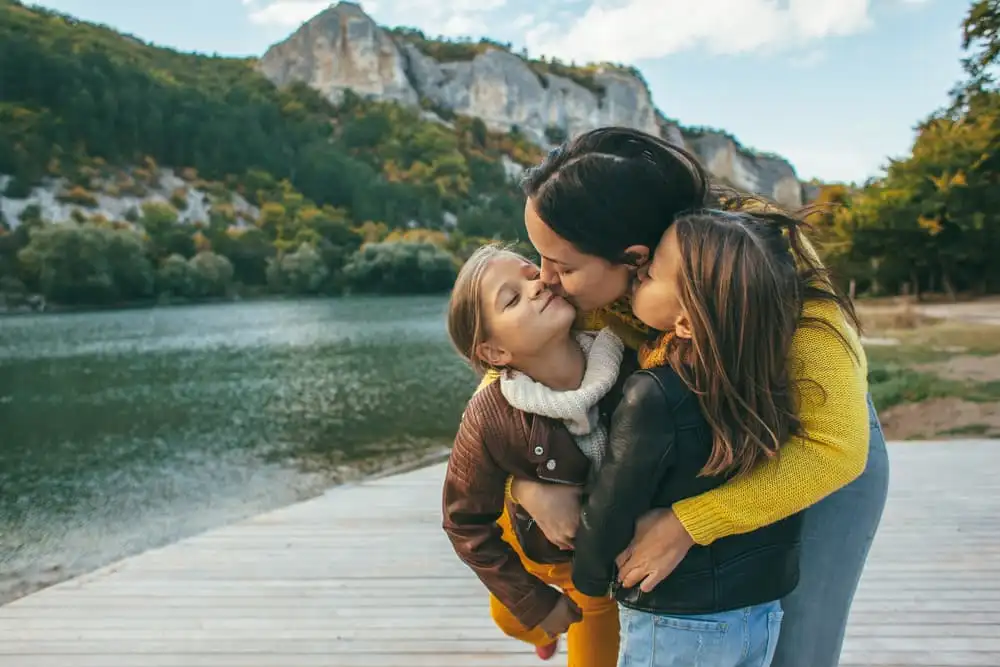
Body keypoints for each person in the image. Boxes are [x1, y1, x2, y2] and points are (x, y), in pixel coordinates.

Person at [510, 127, 891, 667]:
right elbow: (508, 375)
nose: (543, 281)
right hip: (683, 444)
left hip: (809, 452)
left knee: (797, 651)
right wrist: (527, 479)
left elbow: (836, 448)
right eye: (539, 255)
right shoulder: (597, 265)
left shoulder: (764, 260)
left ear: (636, 260)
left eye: (562, 267)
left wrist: (693, 523)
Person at [573, 208, 832, 666]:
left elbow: (614, 501)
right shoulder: (779, 390)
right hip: (761, 611)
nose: (637, 280)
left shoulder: (652, 395)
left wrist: (589, 578)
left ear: (687, 323)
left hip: (675, 617)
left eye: (650, 275)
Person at [441, 244, 627, 666]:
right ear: (495, 353)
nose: (537, 285)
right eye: (511, 299)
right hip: (524, 552)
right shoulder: (490, 414)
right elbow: (463, 521)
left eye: (530, 275)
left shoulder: (627, 364)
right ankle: (540, 631)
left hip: (591, 572)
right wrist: (536, 603)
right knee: (513, 618)